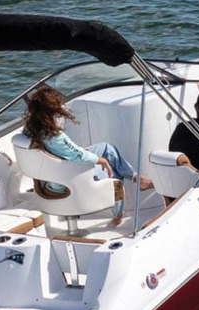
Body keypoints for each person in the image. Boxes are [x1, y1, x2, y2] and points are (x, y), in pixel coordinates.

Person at [23, 85, 152, 227]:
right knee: (114, 173)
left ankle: (136, 178)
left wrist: (82, 152)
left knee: (107, 148)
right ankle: (118, 215)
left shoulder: (31, 129)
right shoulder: (55, 136)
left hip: (51, 175)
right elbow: (76, 156)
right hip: (66, 180)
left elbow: (67, 152)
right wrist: (100, 160)